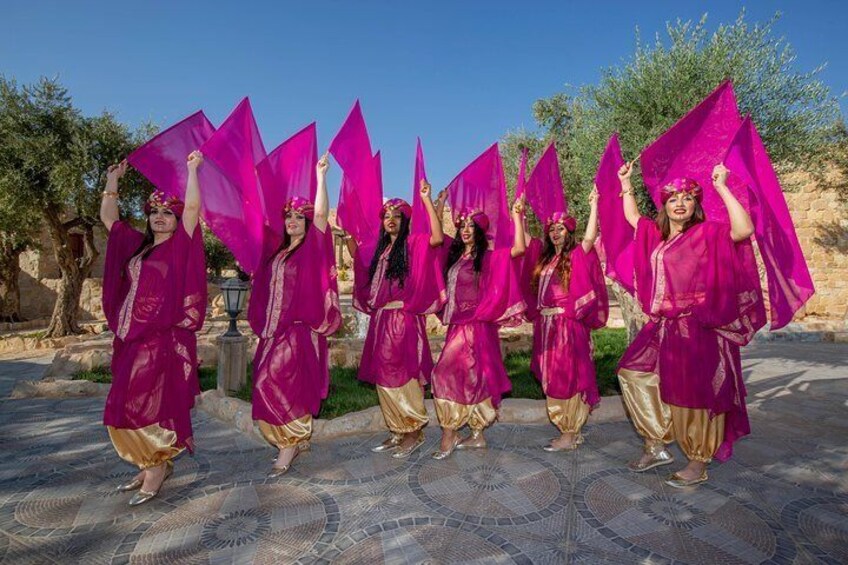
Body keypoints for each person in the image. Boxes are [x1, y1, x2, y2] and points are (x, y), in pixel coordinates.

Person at [616, 161, 762, 488]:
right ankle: (657, 440)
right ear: (664, 206)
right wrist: (626, 183)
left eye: (687, 197)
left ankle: (698, 459)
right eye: (672, 198)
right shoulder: (660, 237)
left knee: (698, 393)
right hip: (666, 326)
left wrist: (722, 186)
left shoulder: (707, 233)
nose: (680, 203)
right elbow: (632, 219)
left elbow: (743, 230)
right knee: (632, 372)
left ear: (696, 204)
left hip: (700, 326)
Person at [100, 152, 207, 506]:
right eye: (154, 212)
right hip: (131, 337)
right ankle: (150, 461)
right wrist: (113, 180)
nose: (160, 218)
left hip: (161, 339)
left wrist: (192, 170)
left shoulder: (180, 247)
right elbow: (109, 220)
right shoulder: (138, 247)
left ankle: (157, 466)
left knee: (148, 402)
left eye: (167, 213)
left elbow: (192, 210)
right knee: (124, 402)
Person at [247, 154, 341, 477]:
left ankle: (289, 443)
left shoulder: (312, 248)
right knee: (264, 383)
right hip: (272, 332)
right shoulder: (277, 252)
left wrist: (320, 176)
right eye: (288, 217)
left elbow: (320, 215)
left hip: (298, 331)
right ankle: (292, 438)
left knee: (281, 384)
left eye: (298, 218)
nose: (293, 222)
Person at [347, 179, 445, 458]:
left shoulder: (413, 244)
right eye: (386, 216)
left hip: (403, 320)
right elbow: (364, 274)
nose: (391, 219)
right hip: (381, 322)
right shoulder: (382, 251)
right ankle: (397, 428)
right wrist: (350, 242)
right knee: (383, 378)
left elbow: (437, 239)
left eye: (396, 215)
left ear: (405, 221)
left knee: (403, 376)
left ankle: (413, 431)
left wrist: (427, 200)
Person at [430, 196, 527, 460]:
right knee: (467, 377)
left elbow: (518, 249)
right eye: (462, 225)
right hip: (457, 326)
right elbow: (434, 235)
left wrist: (517, 215)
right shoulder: (455, 255)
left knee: (446, 373)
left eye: (471, 226)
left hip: (476, 327)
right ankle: (476, 435)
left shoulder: (488, 258)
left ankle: (450, 433)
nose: (465, 229)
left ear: (480, 231)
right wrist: (433, 204)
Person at [522, 188, 608, 451]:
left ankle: (569, 432)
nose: (555, 232)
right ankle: (569, 429)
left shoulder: (575, 255)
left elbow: (590, 238)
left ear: (569, 232)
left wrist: (594, 204)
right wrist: (519, 215)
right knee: (551, 377)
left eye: (561, 228)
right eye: (552, 229)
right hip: (546, 327)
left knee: (568, 377)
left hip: (567, 326)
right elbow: (525, 240)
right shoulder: (545, 259)